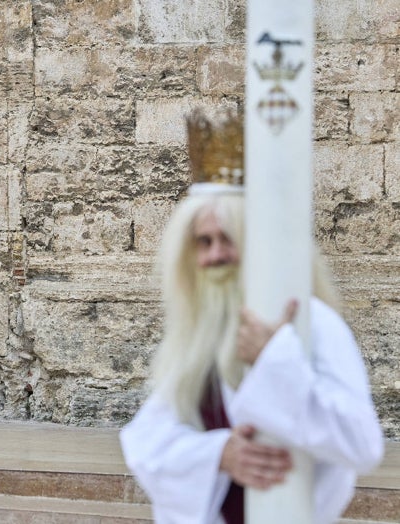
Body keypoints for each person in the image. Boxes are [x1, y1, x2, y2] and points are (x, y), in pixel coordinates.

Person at [119, 113, 384, 524]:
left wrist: (275, 358)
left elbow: (361, 443)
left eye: (228, 239)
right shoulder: (201, 338)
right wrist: (218, 454)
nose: (215, 256)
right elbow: (145, 442)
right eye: (203, 243)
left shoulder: (313, 324)